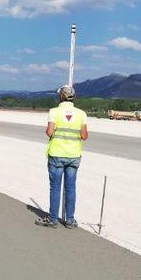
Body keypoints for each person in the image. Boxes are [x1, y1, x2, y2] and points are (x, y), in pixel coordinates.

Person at [36, 85, 88, 229]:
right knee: (71, 188)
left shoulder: (54, 112)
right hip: (74, 155)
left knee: (55, 188)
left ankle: (53, 219)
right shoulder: (81, 114)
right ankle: (70, 220)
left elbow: (49, 132)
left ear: (61, 96)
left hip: (57, 154)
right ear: (74, 97)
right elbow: (84, 136)